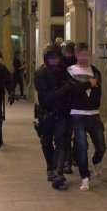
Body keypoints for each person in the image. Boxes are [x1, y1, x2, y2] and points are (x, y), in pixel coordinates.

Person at [67, 42, 105, 191]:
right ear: (76, 55)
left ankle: (96, 161)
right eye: (81, 54)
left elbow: (98, 91)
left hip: (94, 115)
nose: (84, 57)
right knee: (82, 146)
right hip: (77, 114)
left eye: (86, 54)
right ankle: (85, 177)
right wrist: (89, 84)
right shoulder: (70, 71)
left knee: (101, 146)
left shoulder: (95, 71)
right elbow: (72, 91)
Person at [34, 43, 71, 189]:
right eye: (51, 58)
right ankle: (51, 167)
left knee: (61, 141)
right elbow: (47, 97)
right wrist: (63, 90)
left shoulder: (65, 72)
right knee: (46, 142)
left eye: (56, 58)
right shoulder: (40, 74)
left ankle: (58, 172)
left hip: (62, 112)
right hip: (47, 113)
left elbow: (73, 87)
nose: (54, 61)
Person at [60, 40, 78, 174]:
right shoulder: (59, 68)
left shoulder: (79, 67)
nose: (69, 55)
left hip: (77, 104)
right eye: (67, 52)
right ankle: (67, 160)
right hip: (64, 105)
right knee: (65, 134)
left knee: (78, 133)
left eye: (71, 52)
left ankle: (76, 156)